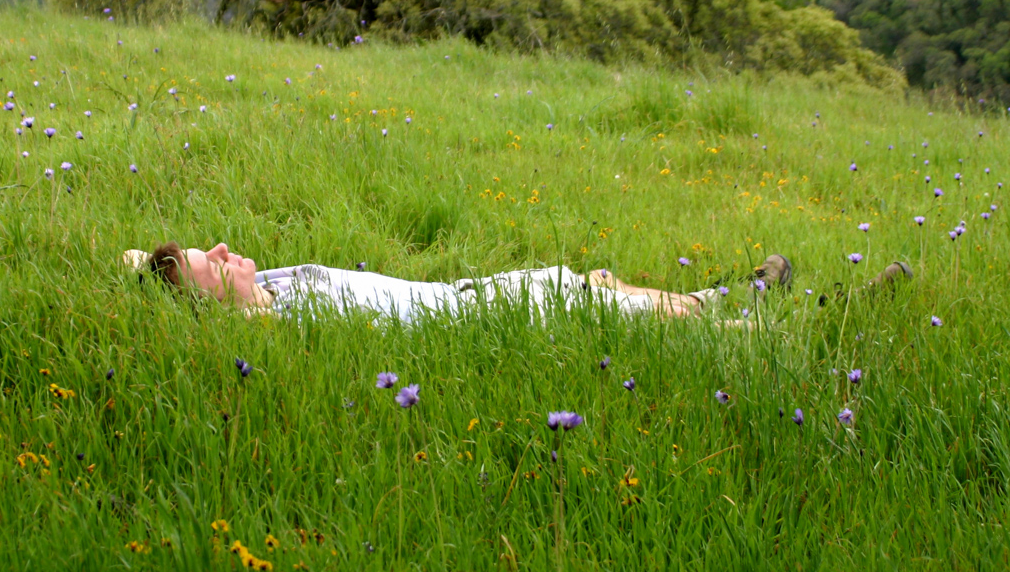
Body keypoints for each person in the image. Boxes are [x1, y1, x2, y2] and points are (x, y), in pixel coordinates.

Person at [123, 241, 798, 322]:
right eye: (216, 265)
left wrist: (152, 267)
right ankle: (755, 323)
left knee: (596, 281)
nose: (224, 249)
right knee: (602, 306)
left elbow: (136, 257)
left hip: (473, 293)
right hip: (481, 321)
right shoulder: (262, 323)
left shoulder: (269, 286)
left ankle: (731, 296)